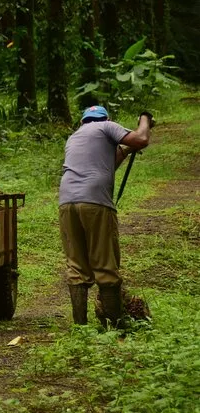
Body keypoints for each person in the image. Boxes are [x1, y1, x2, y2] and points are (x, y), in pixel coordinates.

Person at [59, 105, 154, 327]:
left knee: (77, 265)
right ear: (106, 118)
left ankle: (80, 326)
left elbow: (106, 165)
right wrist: (145, 118)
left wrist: (126, 150)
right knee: (105, 263)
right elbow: (141, 139)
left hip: (67, 202)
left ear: (82, 121)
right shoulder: (106, 126)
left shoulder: (75, 136)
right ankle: (115, 324)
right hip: (95, 202)